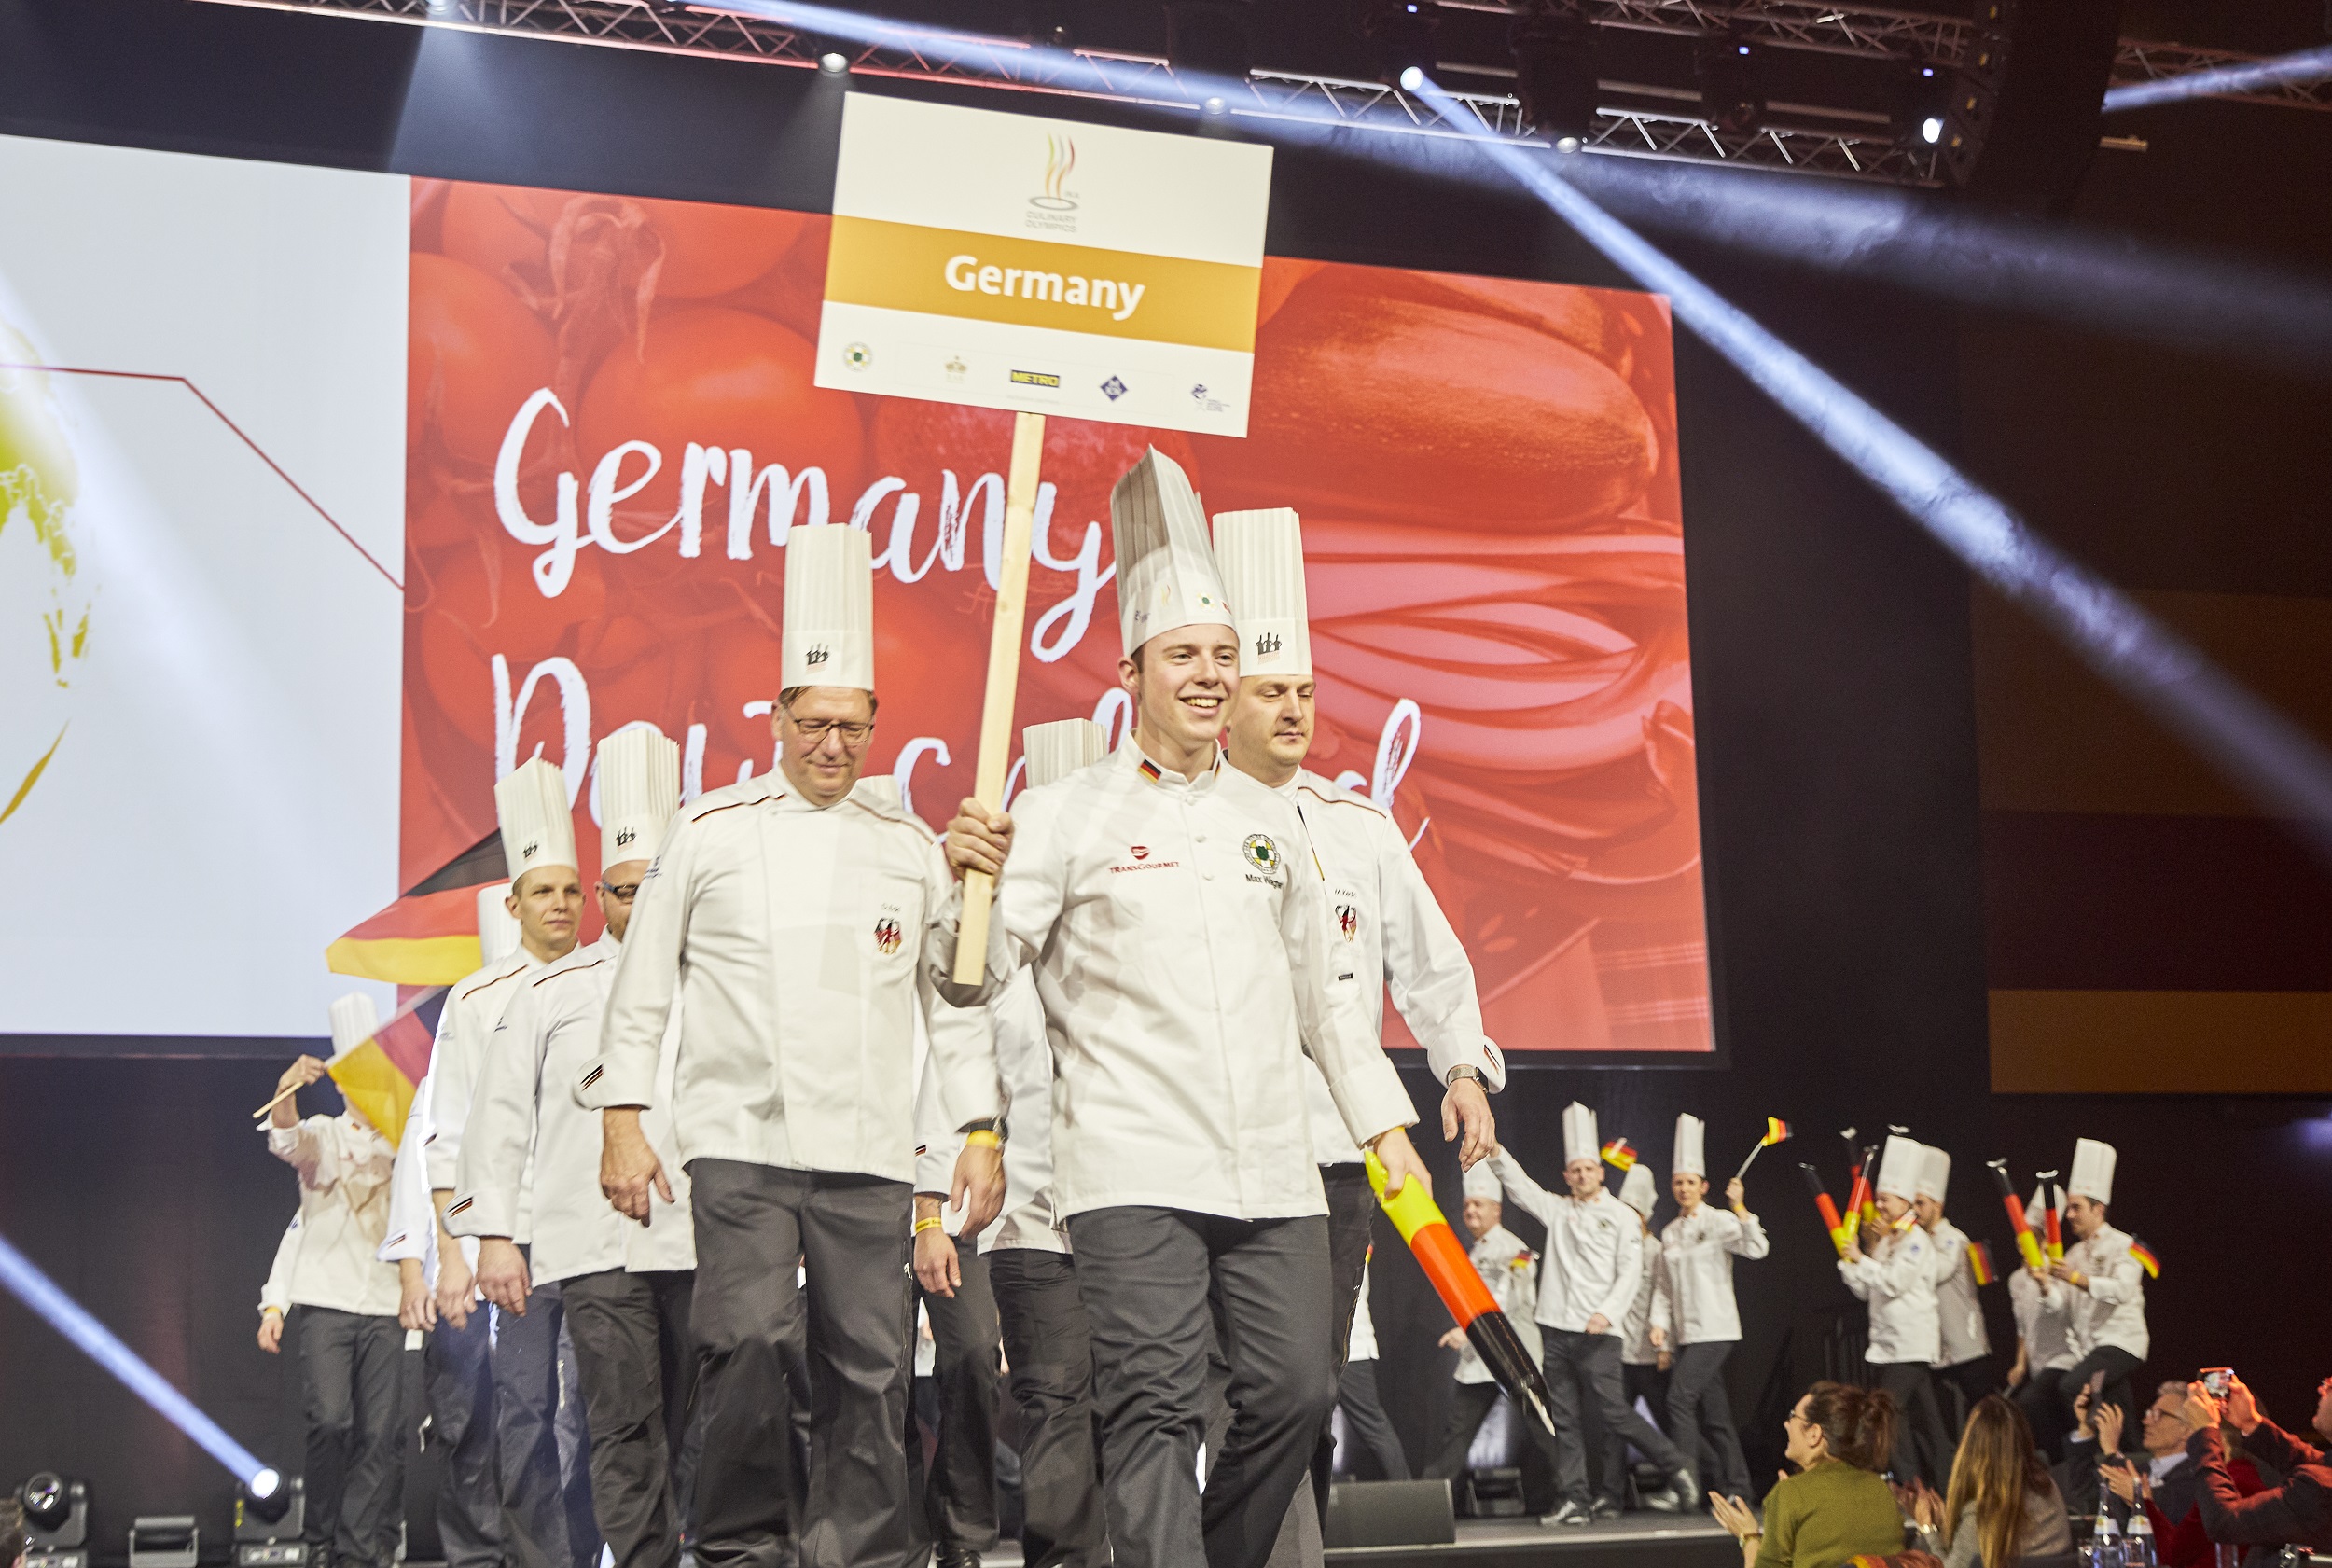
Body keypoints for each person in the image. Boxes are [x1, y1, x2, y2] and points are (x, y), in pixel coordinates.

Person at [942, 450, 1432, 1568]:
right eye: (1185, 657)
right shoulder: (1066, 815)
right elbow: (967, 972)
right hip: (1130, 1168)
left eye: (1224, 656)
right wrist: (977, 1111)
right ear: (1132, 673)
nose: (1210, 676)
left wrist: (1381, 1121)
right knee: (1155, 1411)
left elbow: (1326, 996)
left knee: (1298, 1393)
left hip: (1273, 1166)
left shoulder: (1274, 820)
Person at [595, 524, 1006, 1568]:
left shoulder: (907, 847)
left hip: (867, 1154)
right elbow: (644, 982)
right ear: (776, 716)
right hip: (738, 1141)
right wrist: (623, 1119)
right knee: (746, 1344)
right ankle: (741, 1547)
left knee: (867, 1365)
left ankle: (861, 1554)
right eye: (814, 722)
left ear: (874, 726)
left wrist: (976, 1125)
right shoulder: (711, 829)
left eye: (853, 727)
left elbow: (957, 994)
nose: (832, 745)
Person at [1213, 503, 1503, 1527]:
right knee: (1227, 1388)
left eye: (1304, 690)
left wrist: (1459, 1068)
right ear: (1220, 699)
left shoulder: (1359, 827)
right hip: (1211, 1144)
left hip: (1336, 1150)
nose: (1293, 708)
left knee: (1312, 1384)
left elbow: (1429, 963)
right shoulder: (1185, 821)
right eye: (1270, 690)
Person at [453, 727, 696, 1568]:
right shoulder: (551, 989)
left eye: (652, 888)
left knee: (694, 1423)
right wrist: (487, 1234)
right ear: (603, 894)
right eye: (623, 891)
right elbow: (493, 1119)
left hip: (699, 1236)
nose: (637, 905)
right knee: (621, 1421)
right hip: (592, 1247)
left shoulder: (714, 980)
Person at [437, 758, 598, 1568]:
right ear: (514, 903)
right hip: (522, 1241)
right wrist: (472, 1244)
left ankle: (589, 1546)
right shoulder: (475, 1000)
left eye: (572, 890)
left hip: (602, 1233)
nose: (561, 905)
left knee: (606, 1411)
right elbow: (456, 1131)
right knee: (525, 1411)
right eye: (545, 891)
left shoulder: (613, 981)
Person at [382, 884, 521, 1568]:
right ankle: (475, 1558)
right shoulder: (443, 1074)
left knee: (536, 1426)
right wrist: (420, 1270)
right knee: (467, 1429)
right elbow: (418, 1164)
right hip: (462, 1279)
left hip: (536, 1271)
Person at [1487, 1104, 1698, 1526]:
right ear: (1567, 1176)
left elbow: (1630, 1275)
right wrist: (1493, 1150)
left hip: (1601, 1333)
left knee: (1614, 1413)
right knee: (1564, 1419)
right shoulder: (1558, 1210)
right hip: (1556, 1331)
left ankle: (1675, 1466)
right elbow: (1520, 1188)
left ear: (1601, 1173)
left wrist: (1607, 1313)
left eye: (1588, 1169)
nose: (1582, 1176)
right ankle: (1575, 1500)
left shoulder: (1622, 1217)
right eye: (1575, 1171)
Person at [264, 1009, 405, 1568]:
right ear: (342, 1081)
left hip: (388, 1302)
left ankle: (357, 1550)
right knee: (331, 1421)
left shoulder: (406, 1138)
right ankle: (320, 1536)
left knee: (380, 1437)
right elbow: (284, 1138)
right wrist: (287, 1088)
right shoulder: (323, 1135)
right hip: (326, 1303)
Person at [1422, 1162, 1551, 1503]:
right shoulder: (1476, 1250)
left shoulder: (1515, 1249)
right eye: (1467, 1205)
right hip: (1480, 1360)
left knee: (1543, 1431)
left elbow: (1508, 1299)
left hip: (1515, 1356)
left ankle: (1575, 1494)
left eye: (1478, 1204)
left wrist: (1469, 1332)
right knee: (1458, 1431)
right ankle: (1431, 1502)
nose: (1471, 1210)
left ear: (1497, 1209)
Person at [1662, 1114, 1768, 1507]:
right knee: (1717, 1417)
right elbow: (1665, 1288)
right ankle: (1739, 1487)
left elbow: (1757, 1248)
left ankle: (1685, 1486)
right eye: (1678, 1182)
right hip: (1688, 1333)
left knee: (1677, 1400)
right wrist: (1662, 1330)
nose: (1684, 1188)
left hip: (1717, 1327)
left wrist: (1740, 1208)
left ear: (1703, 1187)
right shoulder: (1670, 1232)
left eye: (1690, 1182)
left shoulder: (1721, 1221)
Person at [1839, 1135, 1951, 1491]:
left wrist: (1861, 1259)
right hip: (1891, 1344)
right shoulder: (1888, 1241)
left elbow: (1894, 1282)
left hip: (1912, 1342)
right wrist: (1850, 1263)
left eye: (1885, 1199)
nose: (1879, 1205)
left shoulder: (1916, 1240)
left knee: (1885, 1412)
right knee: (1926, 1420)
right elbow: (1866, 1289)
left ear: (1903, 1201)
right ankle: (1943, 1484)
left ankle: (1908, 1484)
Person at [2061, 1381, 2261, 1566]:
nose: (2146, 1420)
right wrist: (2086, 1430)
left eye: (2159, 1414)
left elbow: (2174, 1525)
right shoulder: (2141, 1468)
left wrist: (2115, 1459)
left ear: (2188, 1428)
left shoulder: (2206, 1472)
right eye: (2149, 1412)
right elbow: (2088, 1494)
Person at [1710, 1382, 1907, 1568]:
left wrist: (1749, 1537)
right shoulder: (1881, 1490)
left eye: (1793, 1416)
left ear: (1814, 1434)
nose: (1786, 1424)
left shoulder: (1791, 1493)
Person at [2048, 1141, 2146, 1441]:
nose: (2070, 1215)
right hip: (2093, 1347)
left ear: (2098, 1209)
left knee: (2070, 1387)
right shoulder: (2075, 1252)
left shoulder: (2126, 1245)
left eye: (2077, 1207)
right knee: (2119, 1412)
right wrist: (2044, 1283)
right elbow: (2060, 1307)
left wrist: (2077, 1278)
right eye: (2070, 1208)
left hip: (2122, 1342)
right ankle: (2129, 1460)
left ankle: (2089, 1447)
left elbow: (2122, 1290)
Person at [1907, 1396, 2072, 1568]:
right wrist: (1944, 1530)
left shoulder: (1981, 1516)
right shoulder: (2049, 1490)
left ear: (1970, 1450)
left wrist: (1927, 1529)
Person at [2181, 1373, 2332, 1554]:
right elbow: (2320, 1463)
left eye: (2330, 1385)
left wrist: (2204, 1435)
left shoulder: (2318, 1490)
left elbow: (2225, 1521)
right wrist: (2251, 1423)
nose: (2321, 1388)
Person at [1607, 1160, 1670, 1518]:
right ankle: (1612, 1497)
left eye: (1634, 1212)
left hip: (1649, 1353)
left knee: (1667, 1422)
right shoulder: (1617, 1248)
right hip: (1618, 1352)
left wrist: (1664, 1345)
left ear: (1645, 1215)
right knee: (1613, 1429)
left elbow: (1663, 1295)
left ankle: (1692, 1483)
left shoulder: (1655, 1249)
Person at [2005, 1184, 2075, 1461]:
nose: (2024, 1243)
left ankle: (2055, 1461)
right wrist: (2020, 1363)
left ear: (2045, 1241)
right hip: (2036, 1363)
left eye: (2032, 1237)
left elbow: (2061, 1310)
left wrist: (2046, 1285)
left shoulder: (2056, 1268)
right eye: (2022, 1236)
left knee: (2029, 1403)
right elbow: (2022, 1326)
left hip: (2064, 1357)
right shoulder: (2015, 1280)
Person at [1333, 1270, 1409, 1483]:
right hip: (1334, 1350)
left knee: (1372, 1424)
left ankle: (1407, 1492)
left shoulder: (1346, 1242)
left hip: (1349, 1349)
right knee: (1310, 1426)